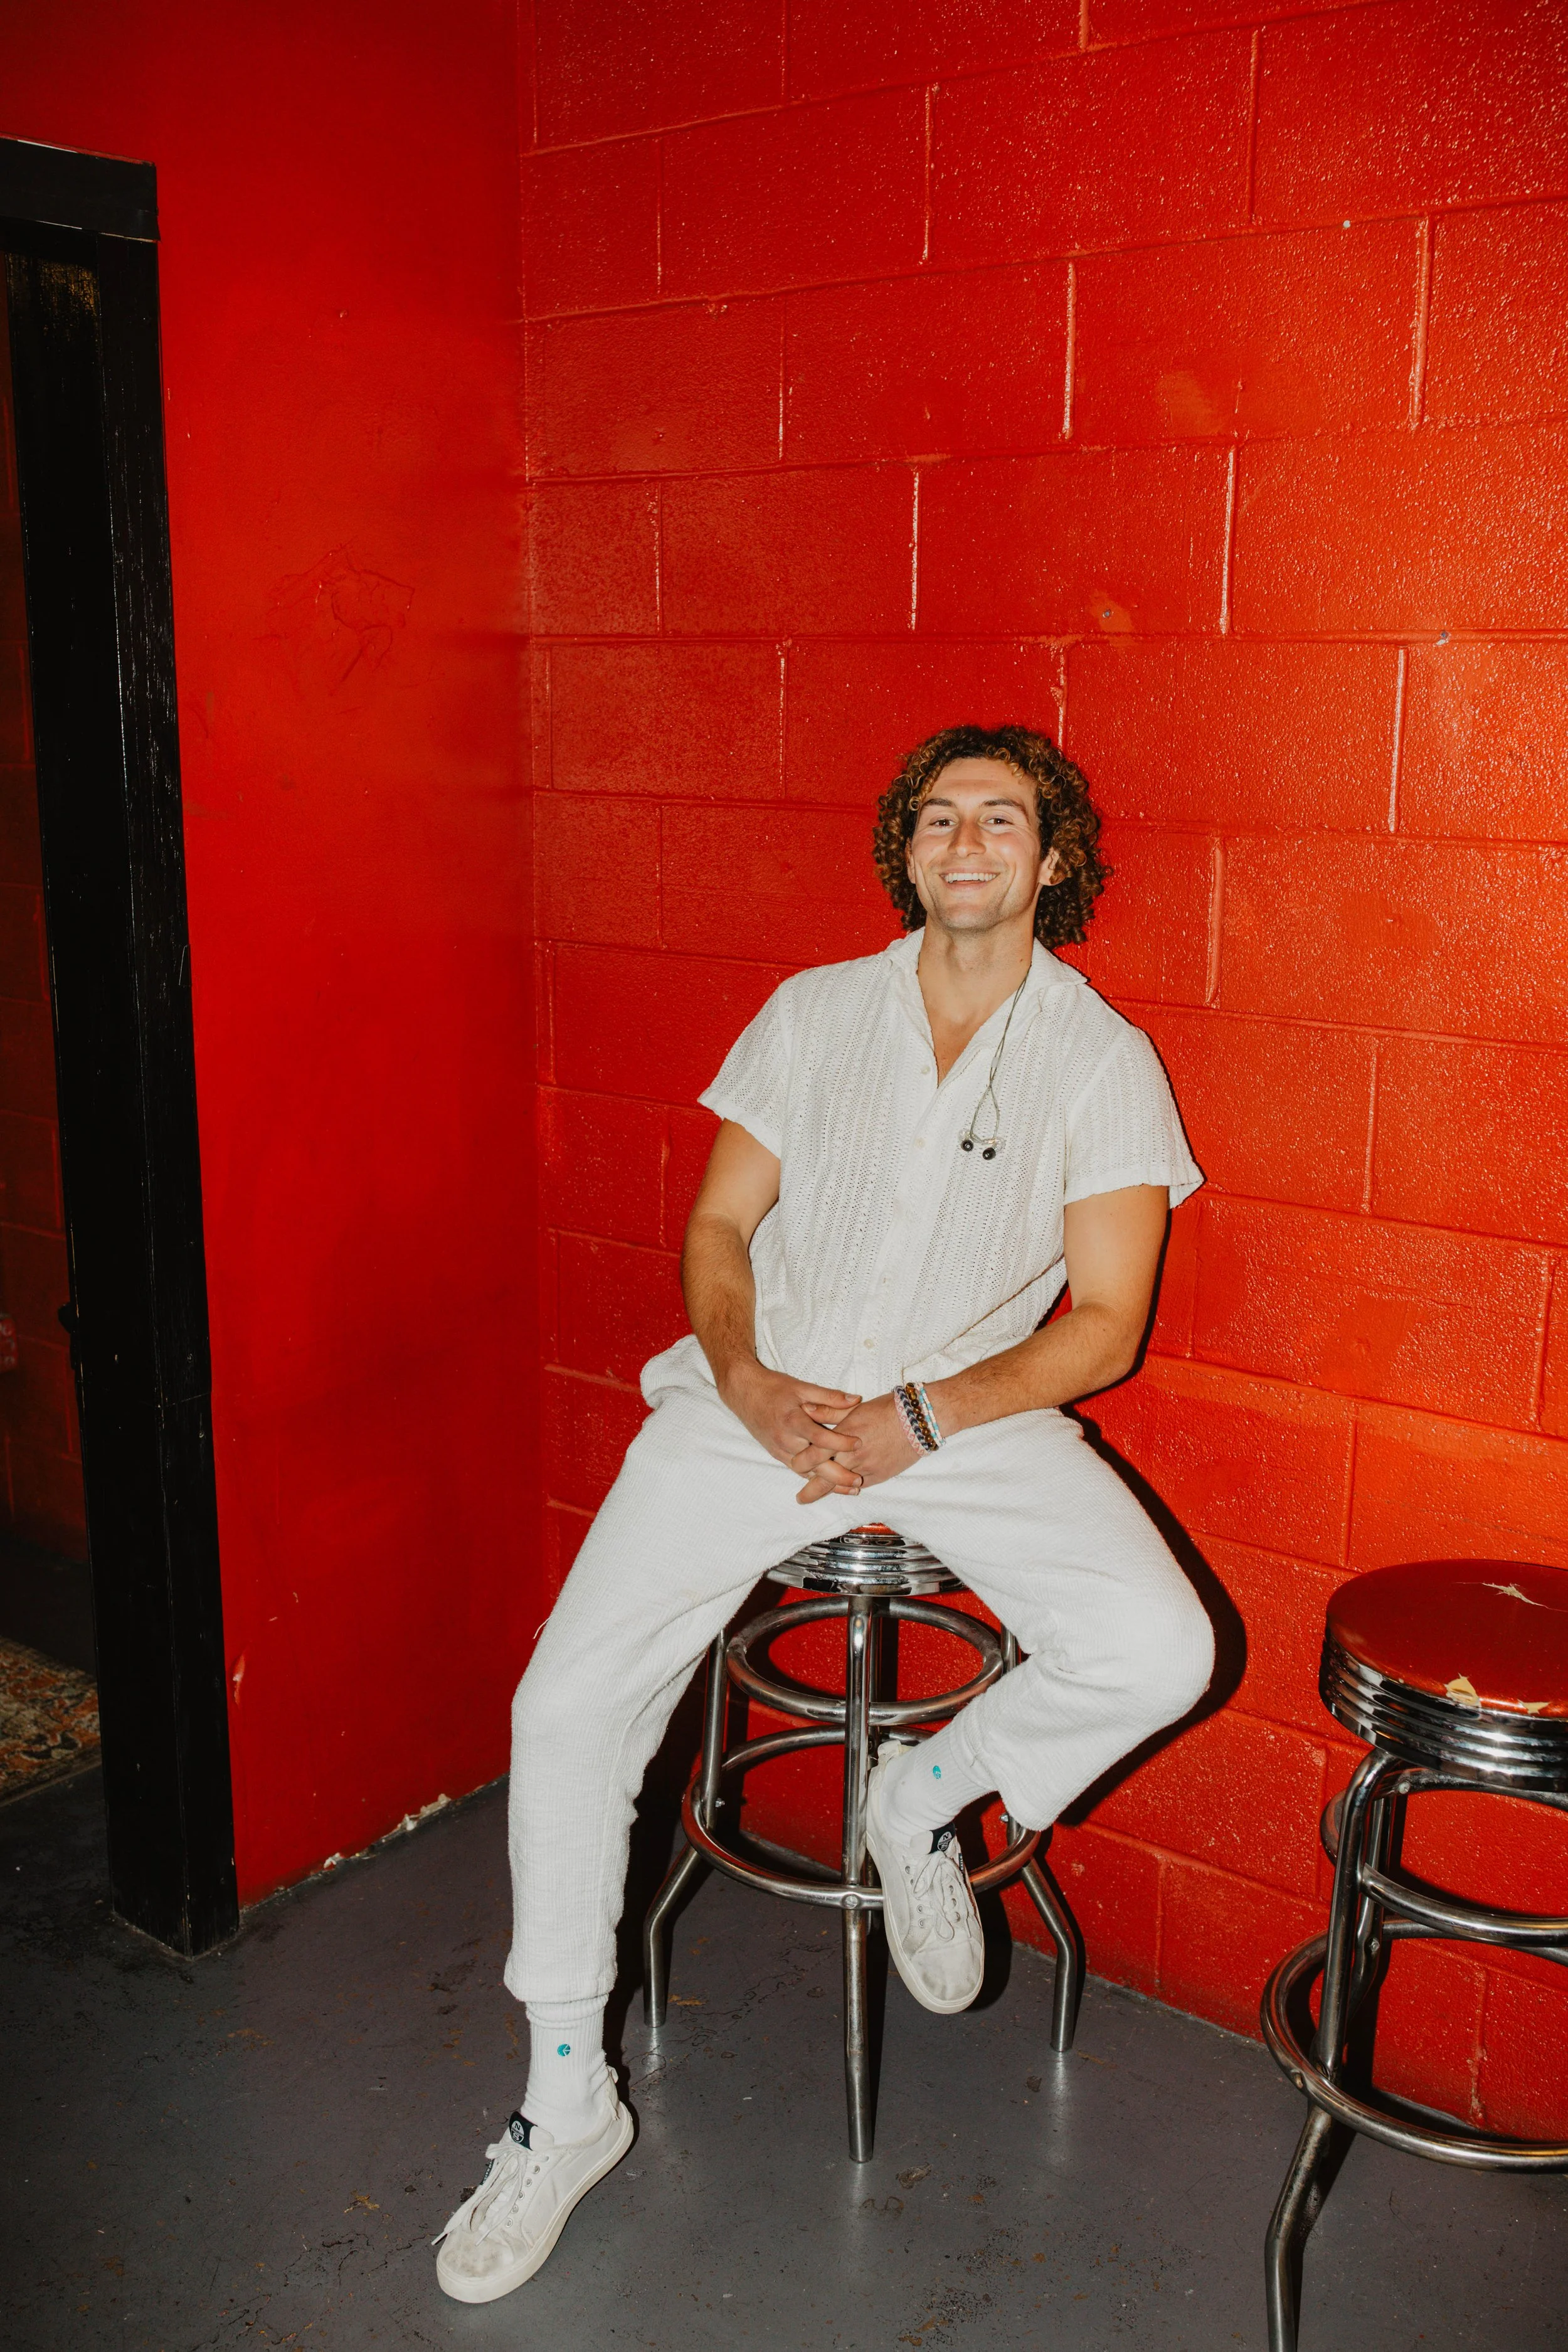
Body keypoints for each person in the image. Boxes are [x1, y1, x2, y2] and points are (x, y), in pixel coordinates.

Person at [435, 723, 1214, 2302]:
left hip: (963, 1419)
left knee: (1159, 1647)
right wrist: (739, 1374)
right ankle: (564, 2098)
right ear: (906, 851)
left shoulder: (1098, 1054)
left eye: (1004, 818)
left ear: (1053, 860)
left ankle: (925, 1790)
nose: (968, 840)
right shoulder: (811, 1011)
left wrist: (919, 1414)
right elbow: (721, 1222)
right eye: (940, 816)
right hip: (756, 1402)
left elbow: (1103, 1325)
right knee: (567, 1701)